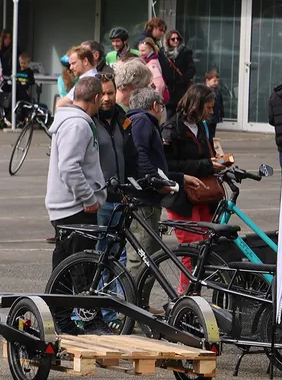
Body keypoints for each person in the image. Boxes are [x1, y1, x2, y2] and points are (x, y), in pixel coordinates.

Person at [45, 75, 105, 268]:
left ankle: (56, 298)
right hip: (76, 209)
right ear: (96, 98)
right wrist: (89, 198)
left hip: (68, 207)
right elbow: (69, 167)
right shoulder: (77, 124)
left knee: (64, 271)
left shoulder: (73, 121)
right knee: (82, 275)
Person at [162, 84, 225, 251]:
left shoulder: (201, 127)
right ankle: (189, 279)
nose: (212, 112)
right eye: (209, 107)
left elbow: (203, 157)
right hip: (182, 197)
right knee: (193, 250)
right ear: (197, 105)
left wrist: (217, 162)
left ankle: (200, 278)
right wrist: (207, 164)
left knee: (206, 247)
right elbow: (168, 165)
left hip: (203, 194)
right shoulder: (172, 129)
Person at [126, 87, 172, 283]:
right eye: (161, 107)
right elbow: (140, 154)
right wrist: (156, 183)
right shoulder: (143, 121)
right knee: (143, 255)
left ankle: (140, 305)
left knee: (149, 255)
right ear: (155, 105)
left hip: (145, 197)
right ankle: (134, 308)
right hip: (144, 199)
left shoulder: (136, 120)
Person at [94, 72, 138, 246]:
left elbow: (131, 158)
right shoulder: (89, 121)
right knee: (98, 255)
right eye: (102, 94)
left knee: (117, 255)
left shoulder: (123, 120)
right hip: (99, 201)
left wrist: (129, 190)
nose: (106, 98)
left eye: (110, 93)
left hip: (120, 200)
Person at [164, 29, 195, 112]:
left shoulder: (185, 52)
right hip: (169, 90)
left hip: (182, 90)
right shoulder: (163, 53)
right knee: (170, 117)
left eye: (178, 39)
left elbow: (191, 69)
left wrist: (183, 79)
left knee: (181, 115)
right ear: (168, 40)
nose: (176, 41)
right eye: (173, 39)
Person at [138, 37, 169, 103]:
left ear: (151, 49)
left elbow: (160, 85)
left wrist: (155, 101)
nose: (141, 53)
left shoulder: (151, 64)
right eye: (140, 51)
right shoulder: (152, 61)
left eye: (143, 51)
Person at [204, 70, 223, 138]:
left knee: (212, 134)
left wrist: (221, 115)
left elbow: (220, 104)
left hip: (214, 116)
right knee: (206, 132)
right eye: (214, 81)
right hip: (207, 117)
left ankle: (211, 145)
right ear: (207, 81)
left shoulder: (218, 91)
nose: (216, 83)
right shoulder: (204, 91)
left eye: (217, 81)